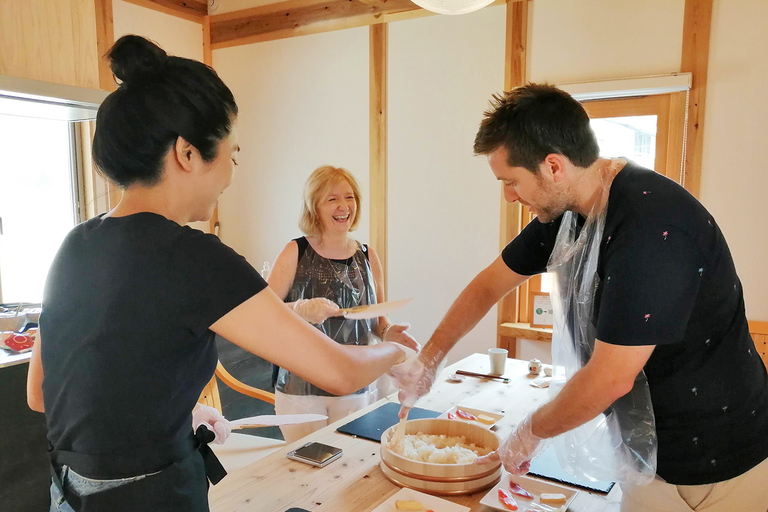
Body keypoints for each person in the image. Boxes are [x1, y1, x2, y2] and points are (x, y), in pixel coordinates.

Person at [25, 35, 409, 512]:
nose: (231, 171)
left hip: (67, 495)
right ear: (187, 154)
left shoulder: (73, 245)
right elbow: (339, 371)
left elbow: (42, 394)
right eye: (232, 153)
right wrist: (398, 351)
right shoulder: (197, 258)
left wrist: (175, 413)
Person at [391, 84, 768, 511]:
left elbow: (611, 377)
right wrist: (430, 359)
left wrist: (530, 431)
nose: (509, 196)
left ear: (554, 166)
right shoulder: (569, 214)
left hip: (718, 464)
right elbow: (488, 285)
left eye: (510, 181)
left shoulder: (652, 226)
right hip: (648, 454)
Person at [267, 165, 418, 443]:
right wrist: (299, 310)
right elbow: (263, 316)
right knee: (306, 468)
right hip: (300, 390)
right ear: (315, 206)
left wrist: (388, 334)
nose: (343, 206)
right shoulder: (295, 252)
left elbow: (378, 320)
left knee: (348, 463)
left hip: (355, 383)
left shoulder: (368, 256)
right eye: (332, 198)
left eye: (349, 197)